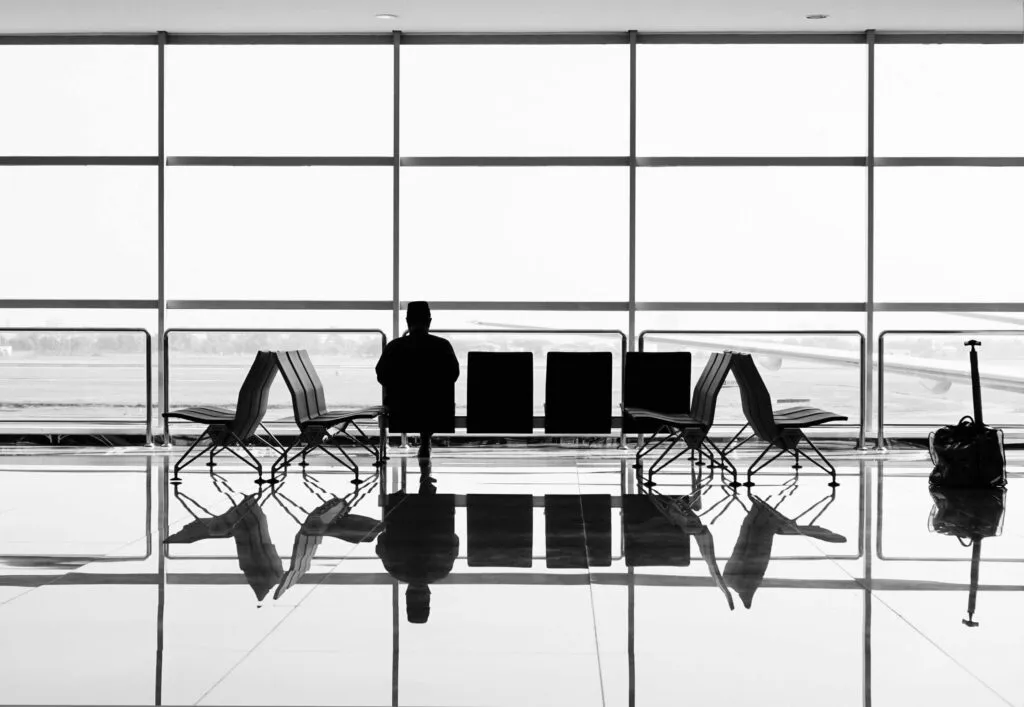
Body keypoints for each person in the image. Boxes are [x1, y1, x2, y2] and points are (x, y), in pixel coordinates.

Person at [375, 460, 458, 623]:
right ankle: (420, 496)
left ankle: (426, 495)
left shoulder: (442, 570)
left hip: (436, 514)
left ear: (427, 595)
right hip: (400, 510)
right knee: (409, 518)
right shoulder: (394, 569)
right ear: (407, 595)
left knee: (429, 521)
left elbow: (454, 540)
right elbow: (381, 541)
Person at [375, 301, 460, 457]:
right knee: (431, 401)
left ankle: (424, 440)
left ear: (407, 322)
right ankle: (426, 440)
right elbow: (453, 374)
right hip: (437, 410)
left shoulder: (394, 347)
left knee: (413, 402)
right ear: (429, 322)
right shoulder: (442, 346)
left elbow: (381, 375)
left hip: (401, 410)